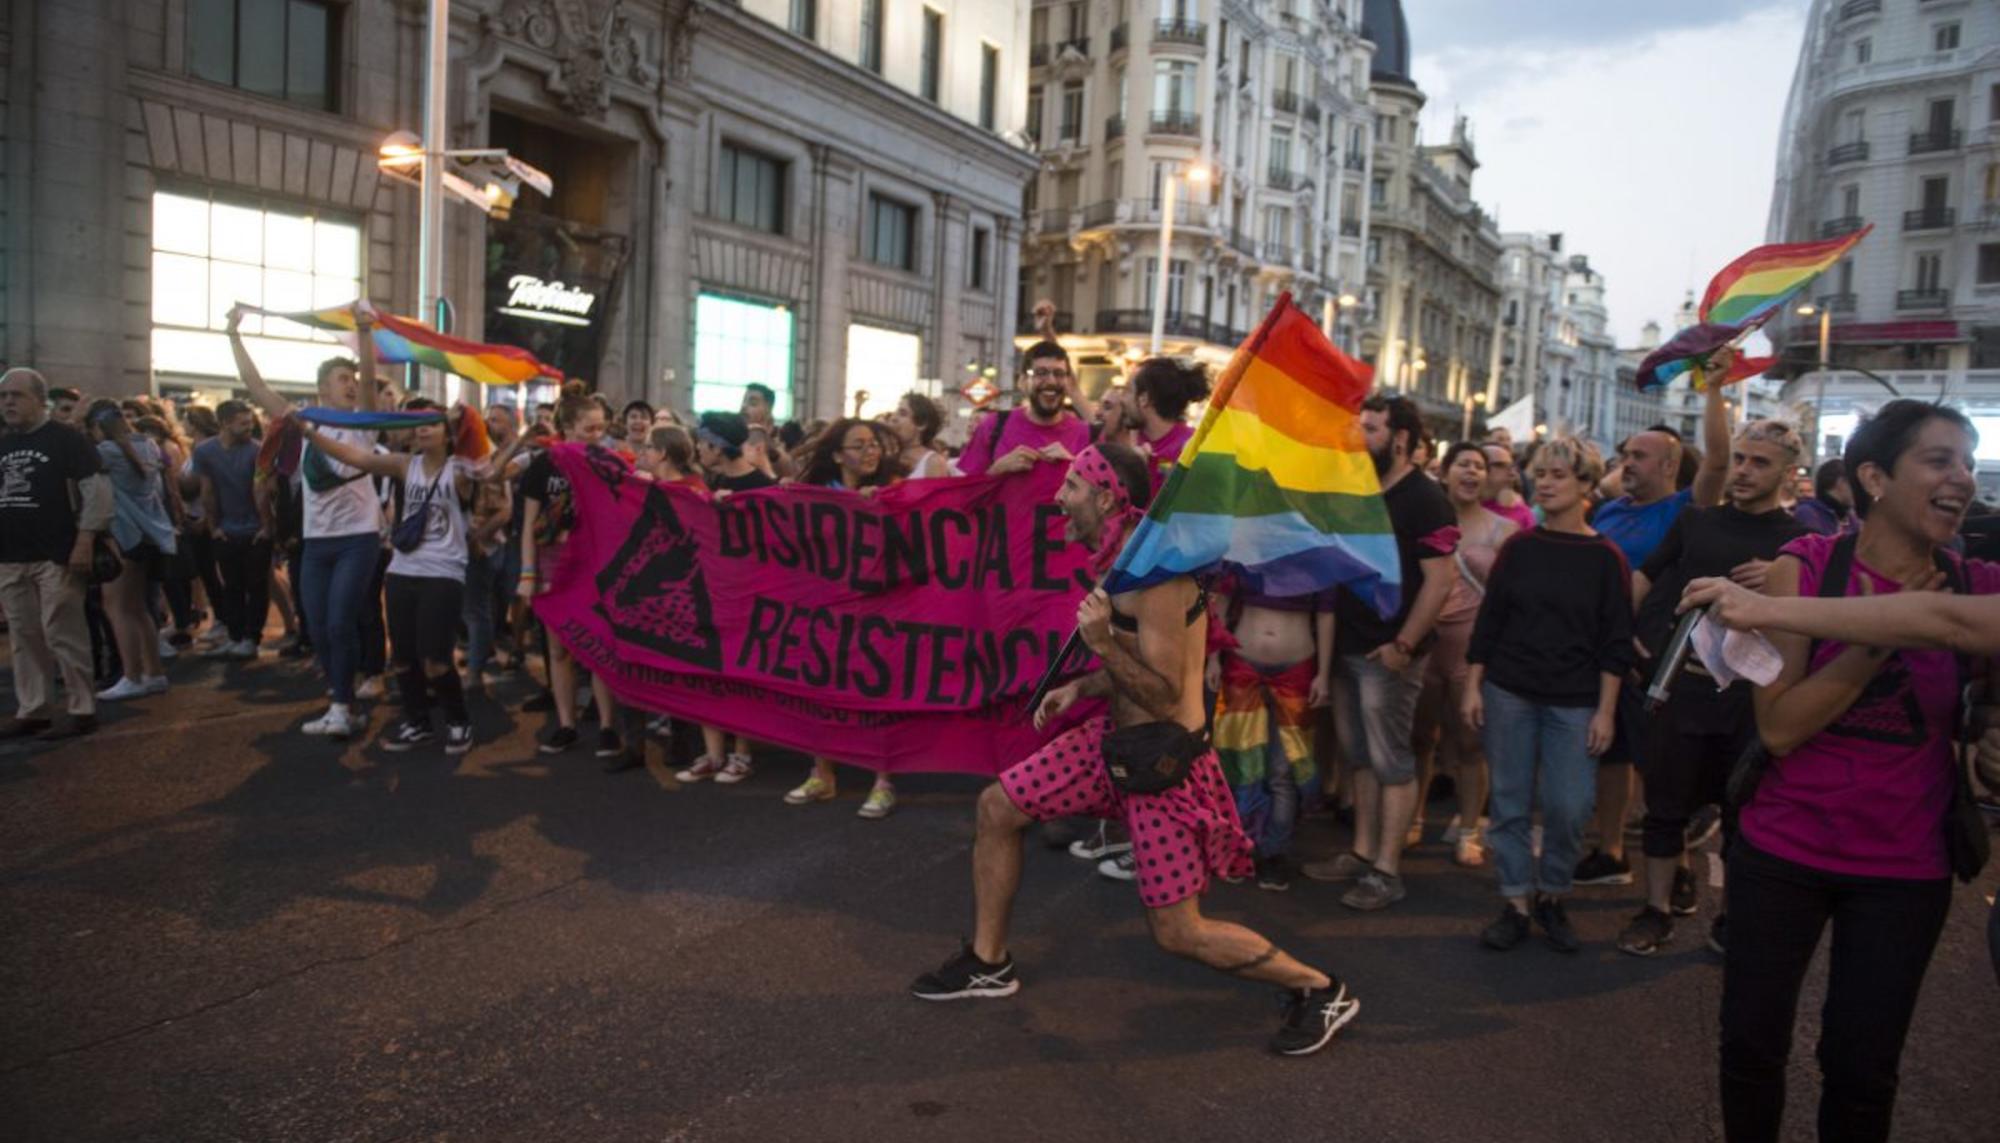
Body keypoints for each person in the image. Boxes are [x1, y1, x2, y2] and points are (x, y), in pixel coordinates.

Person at [910, 442, 1360, 1057]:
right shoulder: (1124, 561)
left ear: (1103, 496)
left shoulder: (1158, 577)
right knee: (997, 807)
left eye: (1070, 486)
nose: (1057, 498)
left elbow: (1165, 690)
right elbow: (1140, 667)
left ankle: (1319, 988)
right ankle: (989, 961)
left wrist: (1098, 645)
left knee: (1179, 932)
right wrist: (1081, 687)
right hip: (1112, 745)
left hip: (1165, 765)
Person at [1716, 401, 1992, 1143]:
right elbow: (1779, 726)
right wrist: (1892, 634)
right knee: (1750, 1046)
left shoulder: (1976, 584)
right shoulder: (1803, 567)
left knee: (1863, 1067)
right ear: (1872, 476)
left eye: (1967, 462)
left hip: (1906, 867)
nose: (1962, 479)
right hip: (1783, 851)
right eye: (1940, 460)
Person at [1615, 418, 1809, 957]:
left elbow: (1815, 618)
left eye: (1760, 462)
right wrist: (1630, 637)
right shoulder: (1696, 522)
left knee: (1741, 815)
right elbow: (1645, 576)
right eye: (1741, 458)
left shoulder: (1800, 544)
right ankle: (1655, 911)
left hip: (1752, 697)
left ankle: (1732, 919)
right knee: (1664, 808)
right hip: (1681, 687)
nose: (1744, 470)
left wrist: (1779, 578)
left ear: (1788, 472)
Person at [1462, 436, 1633, 953]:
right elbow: (1491, 619)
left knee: (1569, 805)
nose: (1547, 482)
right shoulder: (1520, 546)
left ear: (1586, 485)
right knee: (1510, 802)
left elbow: (1615, 639)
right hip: (1508, 689)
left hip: (1575, 700)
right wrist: (1473, 684)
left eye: (1560, 474)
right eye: (1543, 472)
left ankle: (1553, 894)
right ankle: (1515, 900)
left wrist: (1605, 711)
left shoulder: (1606, 557)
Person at [1302, 394, 1458, 912]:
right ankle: (1362, 852)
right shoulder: (1361, 489)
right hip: (1350, 647)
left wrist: (1404, 645)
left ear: (1402, 440)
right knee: (1360, 758)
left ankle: (1387, 871)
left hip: (1389, 654)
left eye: (1369, 429)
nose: (1358, 439)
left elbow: (1440, 582)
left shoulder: (1427, 499)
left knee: (1391, 761)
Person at [1576, 376, 1731, 888]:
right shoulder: (1609, 511)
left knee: (1662, 769)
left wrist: (1714, 389)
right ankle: (1611, 851)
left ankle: (1679, 869)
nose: (1627, 462)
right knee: (1612, 755)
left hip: (1653, 657)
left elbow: (1715, 463)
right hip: (1606, 654)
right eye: (1625, 454)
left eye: (1639, 455)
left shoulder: (1685, 510)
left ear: (1668, 465)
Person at [229, 303, 385, 739]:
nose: (353, 387)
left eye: (353, 381)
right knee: (317, 627)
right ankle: (343, 698)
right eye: (343, 381)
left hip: (358, 538)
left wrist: (363, 329)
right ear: (322, 389)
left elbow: (372, 380)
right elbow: (253, 384)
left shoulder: (363, 427)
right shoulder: (301, 424)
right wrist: (232, 336)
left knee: (339, 620)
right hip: (317, 543)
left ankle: (342, 706)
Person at [300, 398, 480, 755]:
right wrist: (309, 432)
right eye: (419, 423)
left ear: (448, 432)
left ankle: (458, 721)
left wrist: (468, 426)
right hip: (402, 569)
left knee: (435, 659)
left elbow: (491, 469)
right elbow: (356, 458)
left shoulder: (460, 470)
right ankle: (417, 723)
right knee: (402, 657)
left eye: (432, 422)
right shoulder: (403, 464)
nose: (424, 428)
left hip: (443, 573)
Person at [785, 418, 901, 818]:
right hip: (827, 608)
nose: (871, 452)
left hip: (877, 608)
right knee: (820, 690)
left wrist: (883, 506)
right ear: (837, 456)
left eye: (874, 445)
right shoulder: (816, 496)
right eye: (860, 446)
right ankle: (822, 773)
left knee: (874, 693)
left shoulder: (894, 490)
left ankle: (882, 781)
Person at [1411, 442, 1516, 867]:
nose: (1472, 472)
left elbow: (1510, 599)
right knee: (1420, 739)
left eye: (1480, 466)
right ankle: (1412, 818)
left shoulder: (1504, 531)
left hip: (1473, 651)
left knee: (1471, 743)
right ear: (1446, 472)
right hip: (1426, 645)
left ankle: (1470, 828)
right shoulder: (1423, 520)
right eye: (1463, 464)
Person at [0, 368, 112, 739]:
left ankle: (83, 707)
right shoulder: (3, 443)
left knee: (62, 631)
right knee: (23, 634)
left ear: (38, 399)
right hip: (11, 555)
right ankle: (34, 708)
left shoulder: (66, 440)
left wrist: (85, 540)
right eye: (4, 397)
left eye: (16, 395)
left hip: (57, 553)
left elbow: (96, 491)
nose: (9, 403)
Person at [518, 383, 625, 762]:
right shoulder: (543, 465)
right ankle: (567, 723)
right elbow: (528, 524)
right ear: (567, 428)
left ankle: (609, 726)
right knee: (558, 649)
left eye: (601, 428)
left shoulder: (607, 462)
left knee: (599, 645)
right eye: (589, 429)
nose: (598, 436)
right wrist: (527, 573)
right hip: (552, 564)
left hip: (594, 564)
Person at [1207, 575, 1333, 892]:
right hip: (1241, 663)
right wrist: (1212, 659)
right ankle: (1239, 847)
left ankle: (1274, 854)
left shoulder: (1319, 552)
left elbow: (1327, 614)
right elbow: (1219, 604)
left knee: (1283, 769)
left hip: (1298, 669)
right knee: (1239, 761)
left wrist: (1324, 675)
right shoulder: (1247, 547)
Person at [84, 401, 178, 702]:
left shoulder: (108, 452)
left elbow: (76, 460)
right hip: (149, 536)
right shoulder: (148, 445)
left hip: (125, 536)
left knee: (119, 608)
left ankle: (133, 675)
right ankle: (153, 673)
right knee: (138, 608)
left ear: (98, 428)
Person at [191, 400, 268, 659]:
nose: (250, 428)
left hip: (254, 530)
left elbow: (263, 491)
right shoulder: (204, 451)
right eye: (243, 423)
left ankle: (251, 638)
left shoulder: (257, 450)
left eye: (251, 422)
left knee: (256, 586)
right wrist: (214, 528)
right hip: (227, 529)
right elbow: (207, 491)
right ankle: (236, 636)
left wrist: (266, 527)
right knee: (232, 586)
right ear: (224, 423)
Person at [957, 340, 1092, 476]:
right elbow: (966, 491)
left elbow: (1103, 492)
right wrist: (997, 470)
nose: (1051, 381)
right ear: (1022, 381)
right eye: (1041, 373)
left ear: (1068, 382)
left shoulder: (1087, 435)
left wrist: (1072, 467)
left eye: (1059, 373)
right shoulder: (993, 426)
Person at [1126, 357, 1209, 490]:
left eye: (1128, 391)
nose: (1123, 400)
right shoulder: (1129, 438)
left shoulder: (1191, 449)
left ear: (1144, 399)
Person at [886, 392, 952, 479]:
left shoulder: (933, 462)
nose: (893, 418)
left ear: (922, 424)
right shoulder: (886, 456)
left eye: (902, 414)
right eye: (895, 413)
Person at [1480, 440, 1536, 533]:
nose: (1511, 472)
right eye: (1500, 465)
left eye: (1512, 466)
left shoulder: (1522, 514)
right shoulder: (1460, 508)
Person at [1790, 457, 1854, 537]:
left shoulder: (1850, 518)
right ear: (1841, 482)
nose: (1858, 490)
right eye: (1854, 484)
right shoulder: (1808, 513)